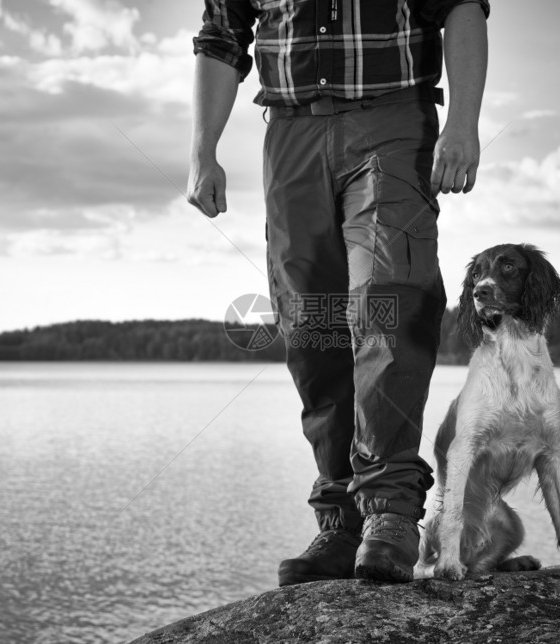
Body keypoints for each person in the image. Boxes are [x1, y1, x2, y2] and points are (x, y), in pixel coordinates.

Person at [187, 0, 489, 585]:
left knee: (388, 299)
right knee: (311, 321)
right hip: (290, 133)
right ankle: (341, 518)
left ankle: (391, 513)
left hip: (393, 120)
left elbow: (462, 7)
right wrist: (203, 151)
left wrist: (464, 124)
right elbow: (222, 37)